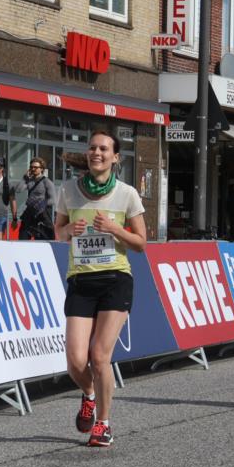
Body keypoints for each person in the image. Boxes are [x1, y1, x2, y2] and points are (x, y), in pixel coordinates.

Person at [54, 131, 146, 447]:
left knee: (99, 356)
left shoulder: (127, 194)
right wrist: (68, 229)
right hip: (81, 280)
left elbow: (141, 244)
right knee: (75, 362)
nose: (97, 152)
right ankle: (89, 394)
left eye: (104, 148)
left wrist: (114, 229)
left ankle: (104, 424)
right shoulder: (68, 190)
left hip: (115, 280)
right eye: (92, 147)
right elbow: (58, 233)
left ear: (115, 157)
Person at [15, 157, 56, 241]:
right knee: (22, 238)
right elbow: (18, 190)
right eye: (31, 167)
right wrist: (24, 178)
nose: (33, 169)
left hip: (41, 214)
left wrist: (41, 204)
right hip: (29, 213)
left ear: (41, 169)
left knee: (43, 241)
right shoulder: (29, 181)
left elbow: (53, 199)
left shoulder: (47, 182)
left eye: (36, 167)